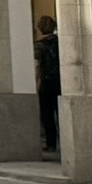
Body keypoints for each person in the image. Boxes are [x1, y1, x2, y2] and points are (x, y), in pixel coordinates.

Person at [34, 15, 61, 153]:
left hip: (46, 82)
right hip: (60, 82)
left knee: (47, 114)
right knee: (60, 112)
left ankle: (51, 144)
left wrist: (37, 83)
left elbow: (37, 65)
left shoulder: (39, 46)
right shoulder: (61, 43)